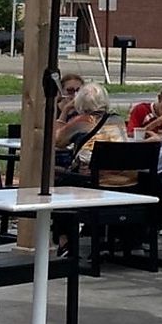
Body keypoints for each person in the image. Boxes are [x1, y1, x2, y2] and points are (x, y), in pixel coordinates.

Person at [53, 82, 129, 252]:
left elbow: (57, 141)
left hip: (93, 183)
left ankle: (64, 239)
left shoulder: (83, 121)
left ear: (80, 103)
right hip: (121, 182)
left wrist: (64, 112)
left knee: (57, 184)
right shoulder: (117, 120)